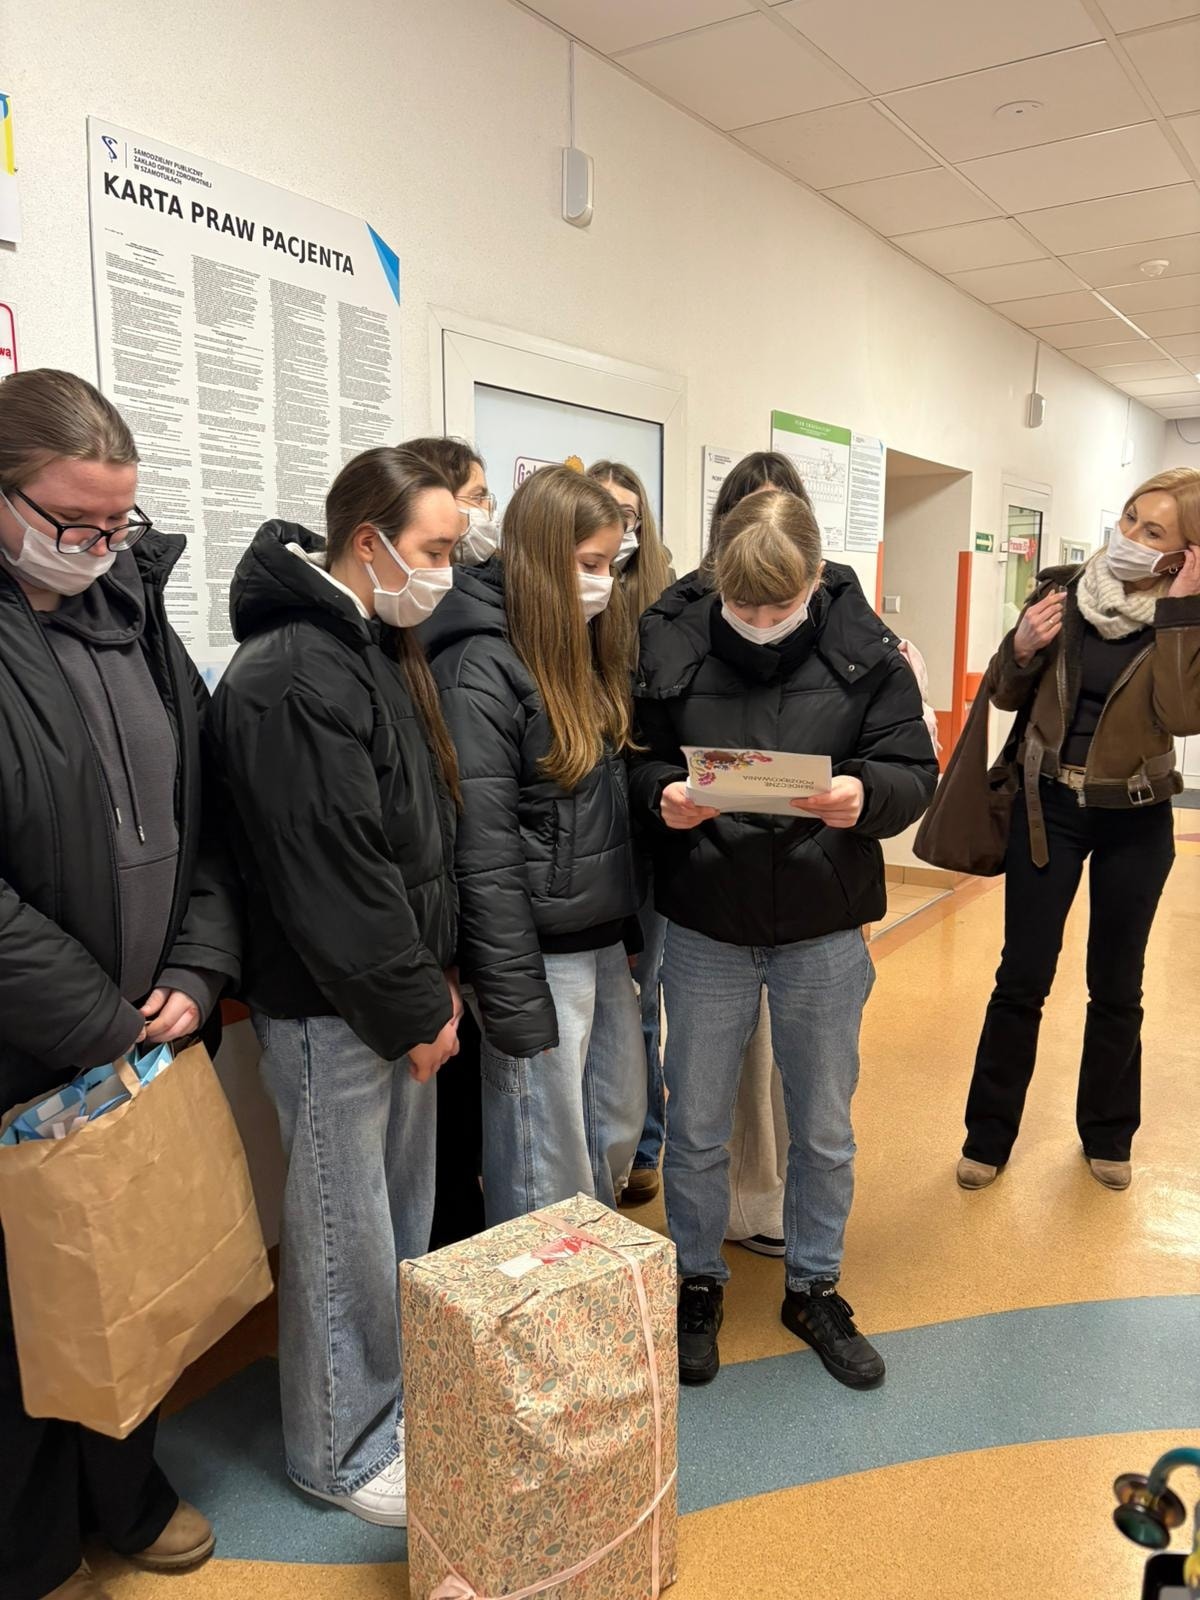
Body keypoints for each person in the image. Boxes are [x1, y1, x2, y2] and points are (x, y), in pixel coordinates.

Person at [0, 370, 240, 1600]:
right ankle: (31, 1548)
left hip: (148, 1025)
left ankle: (127, 1496)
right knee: (24, 1313)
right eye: (71, 522)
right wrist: (97, 1019)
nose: (96, 547)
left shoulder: (136, 609)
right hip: (29, 1042)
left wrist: (198, 965)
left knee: (128, 1275)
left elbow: (207, 811)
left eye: (116, 523)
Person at [207, 447, 463, 1529]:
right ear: (369, 542)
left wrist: (430, 988)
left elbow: (402, 838)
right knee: (339, 1231)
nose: (447, 571)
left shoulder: (363, 645)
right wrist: (415, 1007)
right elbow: (336, 874)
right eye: (435, 549)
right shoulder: (294, 675)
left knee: (391, 1222)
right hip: (333, 1008)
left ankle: (384, 1410)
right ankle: (337, 1451)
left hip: (388, 994)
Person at [631, 488, 937, 1388]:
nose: (762, 625)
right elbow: (634, 758)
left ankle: (814, 1286)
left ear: (815, 579)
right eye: (744, 607)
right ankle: (696, 1279)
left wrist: (866, 795)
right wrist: (660, 795)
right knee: (694, 1125)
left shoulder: (869, 652)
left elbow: (912, 770)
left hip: (822, 922)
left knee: (824, 1127)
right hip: (707, 918)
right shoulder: (670, 639)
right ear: (717, 582)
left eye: (782, 607)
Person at [957, 469, 1200, 1194]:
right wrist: (1020, 647)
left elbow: (1182, 715)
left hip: (1137, 816)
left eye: (1152, 531)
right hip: (1048, 810)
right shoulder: (1062, 590)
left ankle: (1107, 1134)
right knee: (1022, 976)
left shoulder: (1187, 619)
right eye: (1128, 518)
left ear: (1185, 553)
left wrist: (1179, 616)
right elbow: (1005, 693)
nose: (1128, 537)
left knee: (1117, 984)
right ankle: (987, 1137)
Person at [422, 464, 646, 1225]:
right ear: (543, 558)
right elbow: (482, 851)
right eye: (588, 564)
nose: (602, 583)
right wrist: (513, 998)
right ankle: (545, 1292)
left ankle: (595, 1277)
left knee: (613, 1123)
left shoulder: (576, 649)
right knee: (543, 1158)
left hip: (597, 938)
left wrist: (628, 932)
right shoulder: (479, 666)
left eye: (610, 564)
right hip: (537, 953)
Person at [401, 437, 496, 1249]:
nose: (482, 515)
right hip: (416, 947)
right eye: (473, 498)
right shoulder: (421, 634)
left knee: (457, 1129)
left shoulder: (462, 618)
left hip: (451, 927)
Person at [585, 460, 675, 1206]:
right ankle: (607, 1146)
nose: (619, 529)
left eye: (629, 515)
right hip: (593, 835)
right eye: (606, 513)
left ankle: (646, 1142)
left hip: (650, 834)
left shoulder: (663, 606)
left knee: (642, 1000)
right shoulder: (572, 607)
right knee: (606, 1006)